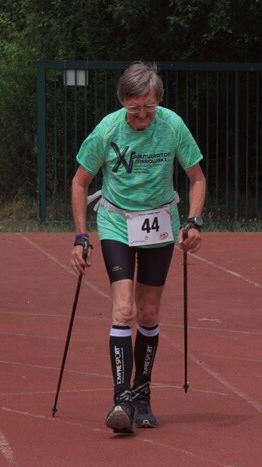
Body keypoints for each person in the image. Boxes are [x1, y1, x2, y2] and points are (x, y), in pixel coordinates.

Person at [70, 61, 206, 436]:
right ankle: (121, 400)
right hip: (115, 221)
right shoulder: (108, 129)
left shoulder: (172, 125)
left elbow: (197, 178)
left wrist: (194, 221)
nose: (142, 115)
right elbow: (80, 183)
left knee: (147, 313)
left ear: (158, 101)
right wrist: (81, 236)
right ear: (123, 102)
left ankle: (142, 395)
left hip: (159, 224)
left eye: (148, 106)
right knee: (124, 308)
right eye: (134, 108)